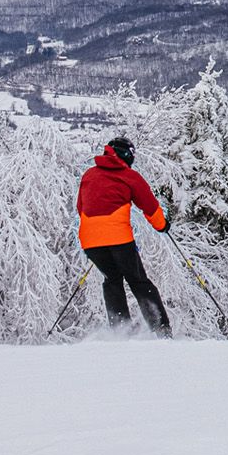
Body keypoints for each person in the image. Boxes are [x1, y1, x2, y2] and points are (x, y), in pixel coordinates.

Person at [76, 136, 172, 336]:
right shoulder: (130, 176)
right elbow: (150, 206)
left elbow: (81, 207)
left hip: (90, 240)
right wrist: (162, 226)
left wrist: (98, 233)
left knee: (112, 280)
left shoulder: (89, 175)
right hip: (118, 239)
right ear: (127, 155)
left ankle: (121, 331)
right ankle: (161, 330)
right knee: (138, 281)